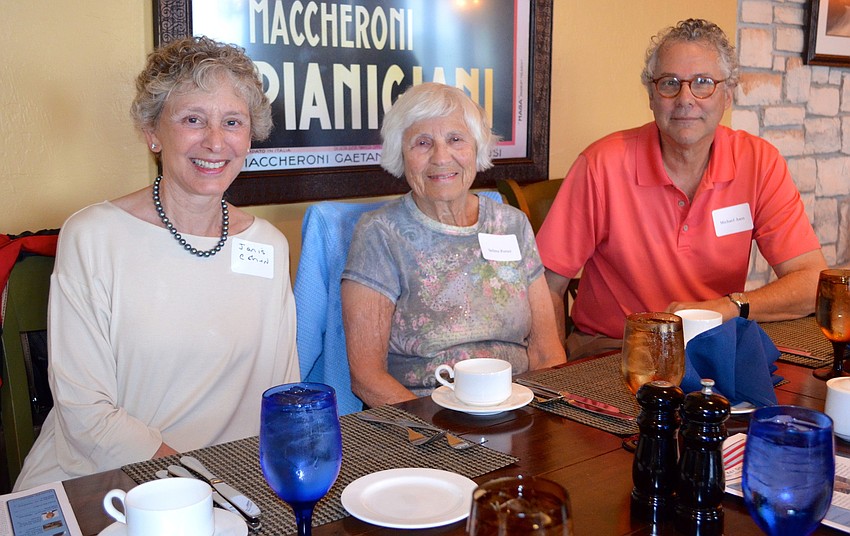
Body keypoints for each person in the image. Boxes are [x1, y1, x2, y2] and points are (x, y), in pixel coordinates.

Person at [14, 36, 299, 490]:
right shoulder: (93, 235)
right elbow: (84, 411)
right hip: (101, 482)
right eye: (192, 119)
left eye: (232, 121)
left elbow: (281, 393)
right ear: (153, 132)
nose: (214, 141)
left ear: (249, 136)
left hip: (229, 486)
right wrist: (197, 483)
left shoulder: (266, 244)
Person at [537, 19, 827, 361]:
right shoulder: (601, 165)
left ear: (728, 94)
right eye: (669, 83)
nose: (685, 98)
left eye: (703, 83)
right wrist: (550, 379)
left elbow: (812, 284)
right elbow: (544, 288)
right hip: (615, 353)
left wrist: (730, 306)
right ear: (651, 95)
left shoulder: (759, 162)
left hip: (713, 349)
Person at [341, 82, 566, 408]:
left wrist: (542, 424)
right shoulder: (380, 233)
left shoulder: (511, 224)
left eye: (455, 139)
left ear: (476, 148)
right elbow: (367, 378)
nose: (441, 157)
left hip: (517, 407)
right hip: (425, 416)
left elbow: (546, 350)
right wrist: (443, 436)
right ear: (400, 155)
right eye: (422, 143)